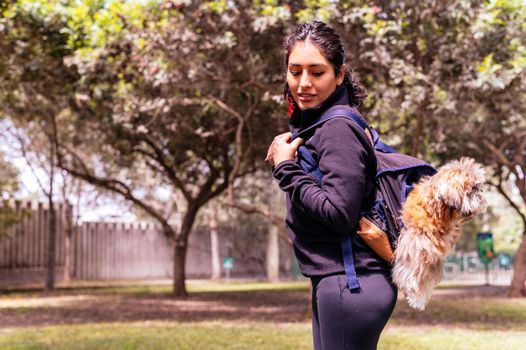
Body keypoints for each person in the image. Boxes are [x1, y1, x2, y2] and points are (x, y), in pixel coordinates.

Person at [266, 21, 397, 350]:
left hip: (350, 283)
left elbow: (340, 213)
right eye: (295, 72)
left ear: (340, 75)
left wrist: (285, 168)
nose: (304, 83)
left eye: (317, 72)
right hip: (341, 282)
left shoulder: (337, 128)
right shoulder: (320, 125)